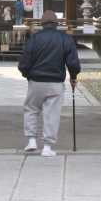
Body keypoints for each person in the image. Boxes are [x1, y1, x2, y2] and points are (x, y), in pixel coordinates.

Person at [16, 11, 81, 156]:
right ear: (56, 24)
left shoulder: (34, 38)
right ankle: (47, 147)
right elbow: (73, 62)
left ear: (42, 24)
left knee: (31, 109)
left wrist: (28, 76)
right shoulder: (65, 38)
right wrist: (73, 76)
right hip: (56, 83)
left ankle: (31, 140)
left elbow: (24, 63)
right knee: (52, 114)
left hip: (36, 81)